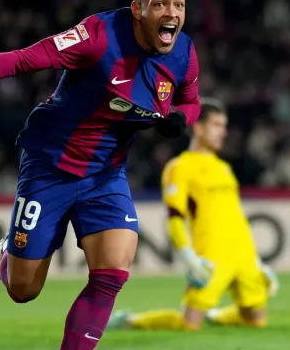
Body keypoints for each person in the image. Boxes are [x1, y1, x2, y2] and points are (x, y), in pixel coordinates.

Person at [0, 0, 201, 349]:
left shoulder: (183, 52)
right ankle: (8, 257)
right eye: (159, 2)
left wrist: (180, 120)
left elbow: (190, 100)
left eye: (178, 4)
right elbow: (24, 59)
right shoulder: (98, 37)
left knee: (113, 271)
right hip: (51, 165)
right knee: (24, 290)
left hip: (106, 174)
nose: (172, 12)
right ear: (137, 9)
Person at [105, 99, 277, 332]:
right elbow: (175, 217)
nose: (223, 132)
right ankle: (132, 321)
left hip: (244, 256)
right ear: (198, 127)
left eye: (223, 126)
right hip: (213, 259)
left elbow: (236, 218)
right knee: (189, 324)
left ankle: (216, 316)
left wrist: (257, 261)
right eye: (216, 125)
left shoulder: (224, 168)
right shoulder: (179, 168)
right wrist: (188, 257)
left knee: (256, 321)